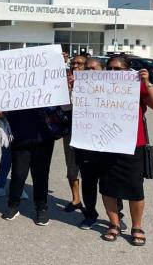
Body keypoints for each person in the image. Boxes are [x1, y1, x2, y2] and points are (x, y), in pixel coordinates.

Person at [99, 55, 153, 246]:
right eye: (109, 68)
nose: (113, 73)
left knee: (135, 188)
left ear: (127, 71)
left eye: (117, 69)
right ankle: (114, 224)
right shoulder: (98, 86)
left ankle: (137, 226)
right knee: (108, 187)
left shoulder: (137, 85)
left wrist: (147, 83)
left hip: (133, 144)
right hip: (106, 143)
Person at [72, 58, 127, 230]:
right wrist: (71, 88)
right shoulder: (77, 87)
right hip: (86, 145)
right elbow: (67, 109)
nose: (89, 72)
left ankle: (117, 215)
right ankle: (90, 214)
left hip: (110, 144)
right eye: (86, 69)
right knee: (88, 182)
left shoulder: (118, 89)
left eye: (93, 69)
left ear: (102, 70)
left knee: (112, 181)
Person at [1, 106, 57, 226]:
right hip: (19, 133)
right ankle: (13, 205)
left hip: (43, 135)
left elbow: (55, 104)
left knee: (41, 174)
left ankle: (41, 207)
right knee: (18, 173)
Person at [61, 55, 87, 212]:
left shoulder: (96, 83)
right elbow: (64, 108)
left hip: (89, 129)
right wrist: (69, 88)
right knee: (71, 164)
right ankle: (76, 198)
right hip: (70, 128)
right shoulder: (66, 81)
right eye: (74, 63)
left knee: (90, 167)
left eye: (80, 63)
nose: (76, 65)